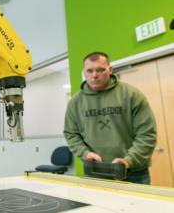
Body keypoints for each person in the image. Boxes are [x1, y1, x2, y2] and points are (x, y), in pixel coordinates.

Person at [63, 52, 157, 184]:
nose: (94, 75)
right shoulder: (75, 102)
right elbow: (71, 134)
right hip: (95, 171)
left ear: (110, 70)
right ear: (84, 72)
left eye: (100, 70)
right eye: (89, 71)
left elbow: (147, 134)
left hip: (132, 173)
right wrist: (85, 154)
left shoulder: (132, 95)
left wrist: (129, 160)